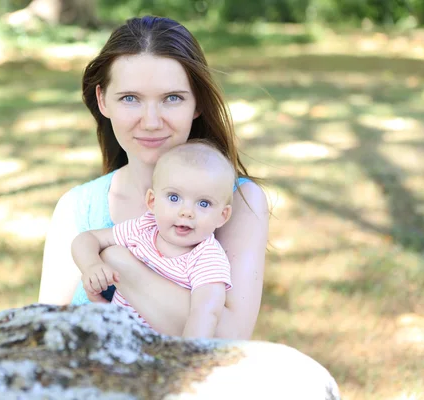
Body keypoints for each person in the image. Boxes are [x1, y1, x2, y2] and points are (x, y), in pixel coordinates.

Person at [39, 15, 269, 339]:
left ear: (197, 104)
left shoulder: (240, 204)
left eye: (171, 98)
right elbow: (50, 337)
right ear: (103, 100)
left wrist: (121, 263)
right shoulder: (76, 209)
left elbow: (227, 340)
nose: (150, 122)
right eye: (130, 98)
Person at [71, 141, 235, 338]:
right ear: (152, 201)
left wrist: (189, 355)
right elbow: (87, 239)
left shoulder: (207, 257)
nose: (187, 212)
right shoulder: (143, 228)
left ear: (222, 216)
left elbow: (205, 313)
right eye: (174, 198)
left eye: (203, 203)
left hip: (159, 351)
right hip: (114, 338)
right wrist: (91, 265)